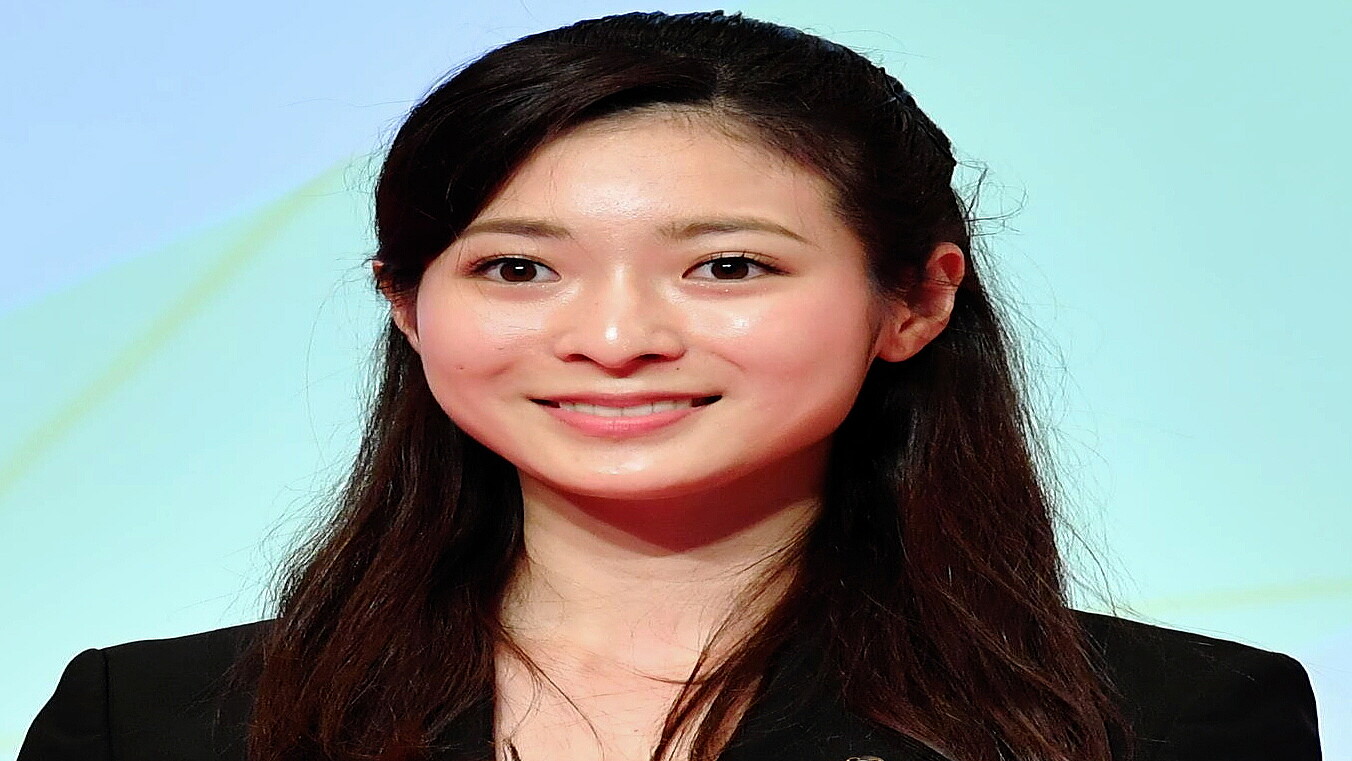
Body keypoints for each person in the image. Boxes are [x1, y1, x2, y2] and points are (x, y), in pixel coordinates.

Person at [18, 10, 1321, 761]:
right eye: (519, 267)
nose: (614, 335)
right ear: (408, 306)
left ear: (917, 302)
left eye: (728, 265)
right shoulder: (157, 724)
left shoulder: (1173, 722)